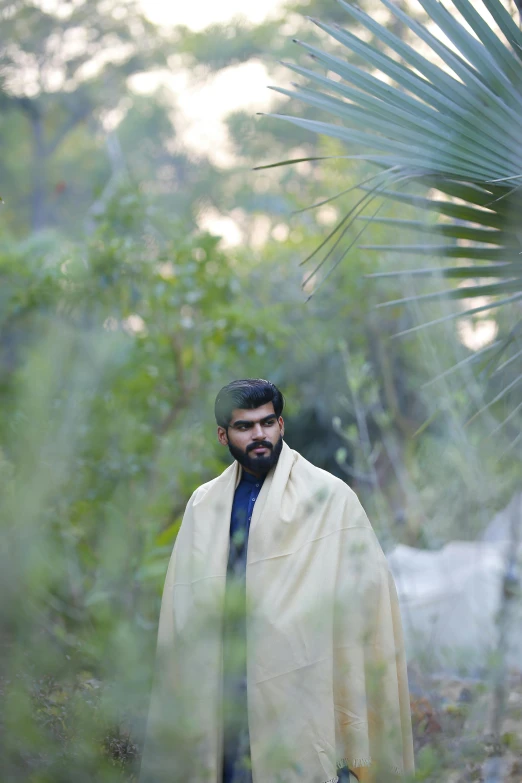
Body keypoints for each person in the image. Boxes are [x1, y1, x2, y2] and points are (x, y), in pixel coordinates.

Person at [140, 379, 414, 783]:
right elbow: (184, 603)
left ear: (281, 425)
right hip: (225, 682)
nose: (259, 435)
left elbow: (367, 597)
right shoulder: (204, 504)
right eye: (245, 427)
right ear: (223, 435)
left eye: (267, 423)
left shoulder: (329, 496)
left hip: (305, 679)